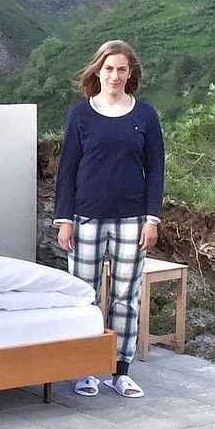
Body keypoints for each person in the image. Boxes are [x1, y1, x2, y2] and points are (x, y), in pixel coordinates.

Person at [54, 39, 165, 398]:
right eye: (109, 69)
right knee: (84, 296)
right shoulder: (80, 115)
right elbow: (67, 170)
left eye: (121, 69)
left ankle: (120, 370)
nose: (115, 76)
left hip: (132, 219)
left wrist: (152, 220)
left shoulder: (145, 115)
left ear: (130, 73)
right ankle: (83, 369)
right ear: (98, 71)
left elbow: (156, 169)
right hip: (85, 216)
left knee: (125, 296)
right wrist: (64, 220)